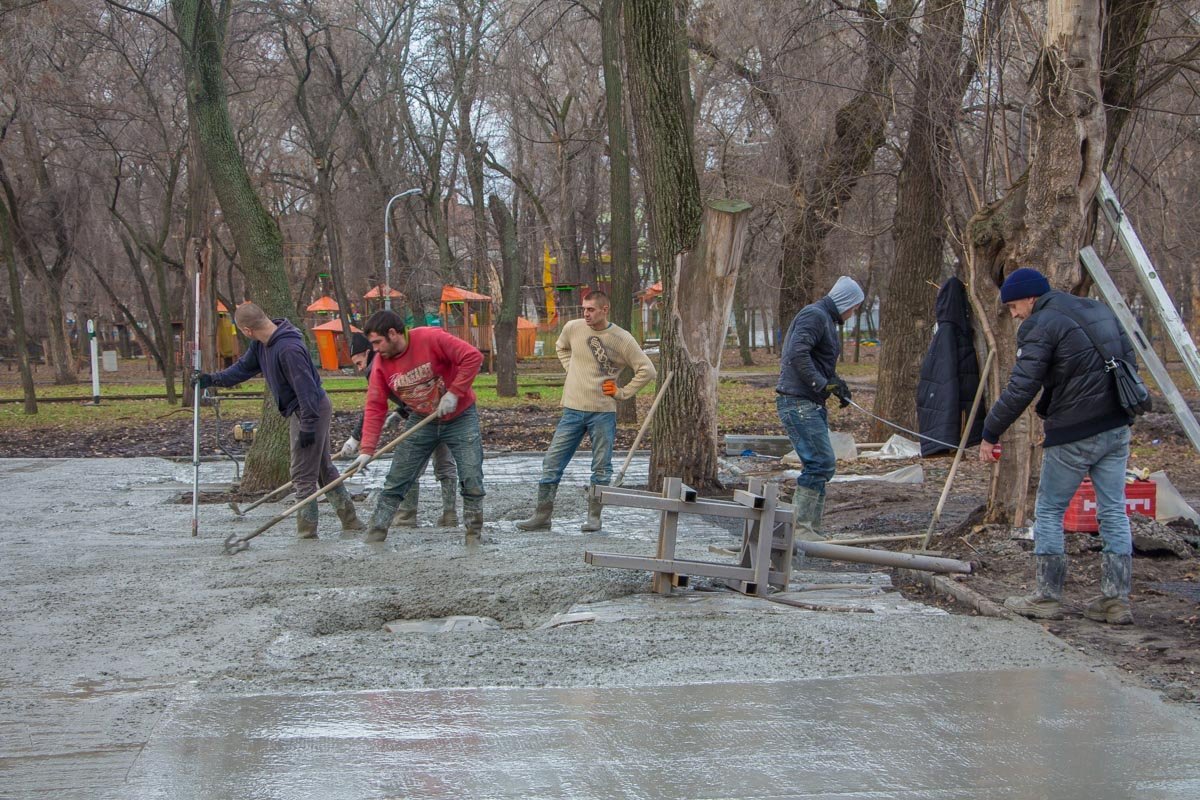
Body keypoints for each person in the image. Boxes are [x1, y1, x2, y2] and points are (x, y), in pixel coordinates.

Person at [979, 268, 1137, 625]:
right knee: (1113, 511)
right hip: (1116, 425)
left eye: (1015, 305)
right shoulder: (1097, 309)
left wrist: (990, 432)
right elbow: (1130, 359)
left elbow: (1021, 387)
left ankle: (1047, 597)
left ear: (1031, 298)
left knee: (1049, 510)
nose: (1014, 314)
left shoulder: (1040, 325)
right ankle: (1116, 601)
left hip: (1073, 432)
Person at [196, 303, 363, 538]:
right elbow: (242, 369)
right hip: (308, 408)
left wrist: (307, 426)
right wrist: (211, 379)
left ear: (246, 330)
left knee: (302, 473)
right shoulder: (261, 344)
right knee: (323, 468)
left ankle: (306, 533)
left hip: (310, 409)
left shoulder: (289, 349)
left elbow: (306, 390)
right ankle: (352, 521)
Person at [517, 291, 656, 533]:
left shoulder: (622, 339)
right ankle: (542, 515)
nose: (586, 314)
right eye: (584, 309)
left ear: (605, 309)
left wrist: (622, 392)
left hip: (602, 412)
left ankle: (594, 517)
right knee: (552, 462)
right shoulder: (573, 328)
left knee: (601, 466)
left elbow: (647, 370)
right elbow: (561, 348)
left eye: (591, 309)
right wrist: (573, 370)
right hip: (572, 410)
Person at [350, 310, 485, 542]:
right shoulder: (381, 366)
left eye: (377, 342)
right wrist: (366, 450)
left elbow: (472, 356)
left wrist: (454, 393)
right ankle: (376, 532)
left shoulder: (430, 338)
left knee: (471, 475)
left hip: (461, 416)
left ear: (392, 333)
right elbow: (375, 407)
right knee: (397, 477)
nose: (375, 349)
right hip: (421, 419)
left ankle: (473, 534)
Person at [775, 276, 863, 560]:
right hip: (798, 400)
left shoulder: (825, 319)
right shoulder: (815, 315)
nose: (854, 313)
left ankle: (810, 528)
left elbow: (817, 359)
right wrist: (820, 384)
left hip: (809, 401)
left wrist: (835, 383)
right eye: (855, 307)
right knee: (820, 462)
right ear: (846, 301)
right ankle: (801, 529)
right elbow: (797, 354)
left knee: (822, 465)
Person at [338, 333, 459, 528]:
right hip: (442, 409)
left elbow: (374, 406)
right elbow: (411, 390)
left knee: (408, 467)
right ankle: (450, 514)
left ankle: (406, 516)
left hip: (423, 417)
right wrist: (400, 413)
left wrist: (355, 438)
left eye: (359, 362)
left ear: (368, 353)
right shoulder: (395, 358)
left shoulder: (375, 368)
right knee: (445, 464)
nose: (360, 369)